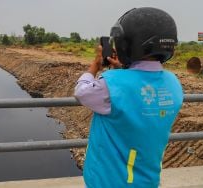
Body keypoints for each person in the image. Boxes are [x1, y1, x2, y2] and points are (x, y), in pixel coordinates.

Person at [74, 7, 183, 187]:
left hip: (109, 181)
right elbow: (137, 91)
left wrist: (94, 66)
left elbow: (82, 92)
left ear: (128, 44)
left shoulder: (112, 83)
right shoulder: (173, 83)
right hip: (147, 180)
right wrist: (122, 70)